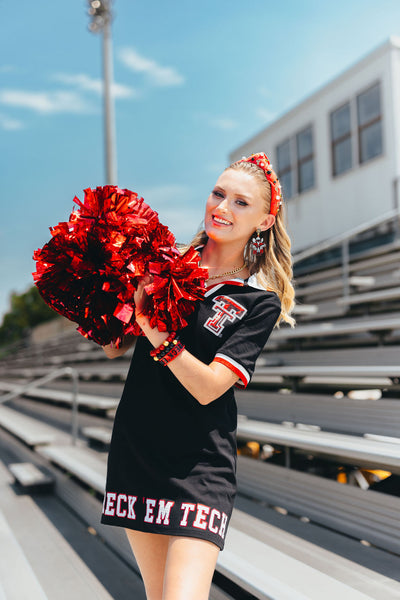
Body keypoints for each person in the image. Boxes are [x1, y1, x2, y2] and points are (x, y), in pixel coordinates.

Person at [101, 152, 296, 600]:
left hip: (199, 467)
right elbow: (113, 348)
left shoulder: (257, 302)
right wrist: (102, 292)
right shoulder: (162, 264)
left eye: (241, 203)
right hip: (138, 452)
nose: (222, 208)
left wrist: (158, 334)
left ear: (265, 222)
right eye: (218, 193)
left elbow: (208, 387)